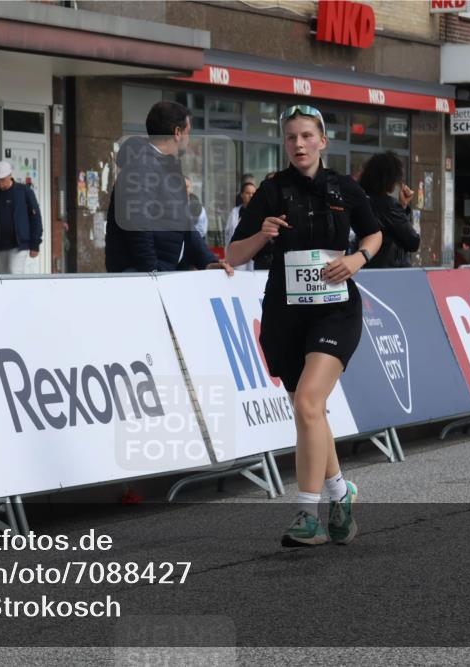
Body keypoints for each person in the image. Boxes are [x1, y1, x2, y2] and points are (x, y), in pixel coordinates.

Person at [227, 105, 382, 547]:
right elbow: (234, 255)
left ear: (322, 141)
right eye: (291, 137)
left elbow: (374, 234)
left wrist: (356, 259)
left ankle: (306, 514)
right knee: (309, 411)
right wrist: (263, 236)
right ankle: (341, 493)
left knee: (309, 403)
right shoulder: (272, 191)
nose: (298, 144)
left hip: (336, 311)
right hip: (285, 313)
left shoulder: (345, 188)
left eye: (307, 136)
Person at [105, 101, 233, 275]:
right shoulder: (141, 166)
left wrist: (208, 261)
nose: (189, 140)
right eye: (188, 132)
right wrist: (152, 272)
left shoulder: (167, 169)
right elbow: (138, 224)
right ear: (177, 132)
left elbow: (185, 225)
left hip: (163, 274)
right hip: (144, 277)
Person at [357, 151, 419, 268]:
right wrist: (400, 208)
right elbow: (413, 242)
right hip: (389, 273)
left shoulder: (361, 200)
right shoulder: (388, 206)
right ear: (389, 180)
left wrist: (402, 206)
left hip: (363, 269)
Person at [0, 161, 43, 274]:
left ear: (10, 176)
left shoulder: (24, 191)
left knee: (14, 273)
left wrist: (35, 244)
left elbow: (35, 217)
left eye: (2, 179)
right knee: (0, 277)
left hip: (18, 244)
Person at [225, 182, 258, 271]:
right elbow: (228, 234)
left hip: (254, 252)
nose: (251, 196)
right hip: (238, 251)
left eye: (253, 194)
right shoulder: (234, 212)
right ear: (242, 195)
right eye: (248, 193)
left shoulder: (260, 213)